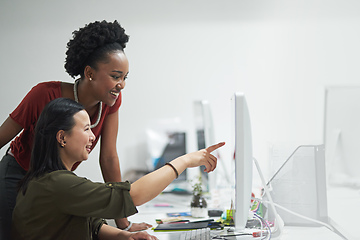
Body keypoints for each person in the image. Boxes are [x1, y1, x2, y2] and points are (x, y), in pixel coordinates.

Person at [0, 20, 150, 239]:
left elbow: (108, 157)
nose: (122, 85)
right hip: (17, 174)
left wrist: (124, 225)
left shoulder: (110, 103)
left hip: (54, 181)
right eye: (115, 76)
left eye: (125, 78)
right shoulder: (43, 94)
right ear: (89, 73)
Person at [11, 98, 225, 240]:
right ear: (62, 137)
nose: (93, 137)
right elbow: (134, 195)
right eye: (86, 129)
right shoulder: (57, 184)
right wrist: (185, 161)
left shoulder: (46, 181)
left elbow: (88, 223)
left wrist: (123, 236)